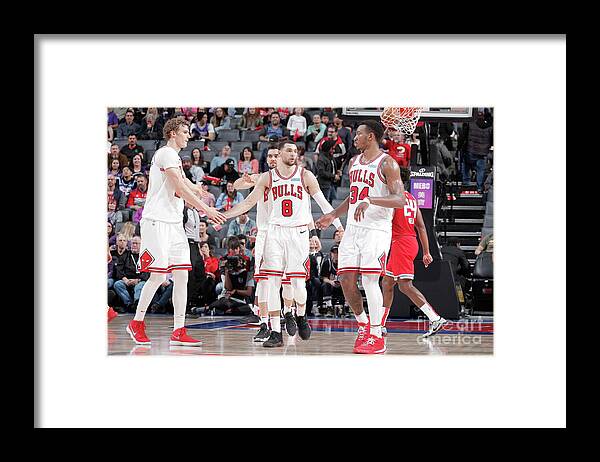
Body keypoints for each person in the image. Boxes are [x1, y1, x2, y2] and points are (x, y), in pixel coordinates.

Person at [224, 141, 344, 347]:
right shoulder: (267, 177)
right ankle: (275, 331)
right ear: (278, 155)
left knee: (297, 284)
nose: (293, 154)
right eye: (288, 150)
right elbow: (247, 202)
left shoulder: (305, 175)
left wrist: (339, 226)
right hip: (275, 232)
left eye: (295, 151)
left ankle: (301, 314)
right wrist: (222, 215)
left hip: (297, 234)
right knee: (272, 283)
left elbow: (323, 202)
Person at [125, 116, 227, 348]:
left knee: (182, 275)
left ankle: (179, 330)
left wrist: (198, 189)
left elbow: (183, 183)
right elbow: (179, 187)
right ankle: (137, 322)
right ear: (172, 133)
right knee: (159, 275)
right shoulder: (166, 153)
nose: (188, 136)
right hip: (157, 221)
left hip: (173, 223)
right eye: (184, 131)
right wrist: (206, 210)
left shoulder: (175, 158)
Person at [315, 120, 407, 354]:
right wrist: (333, 214)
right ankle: (364, 325)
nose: (354, 138)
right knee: (345, 280)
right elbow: (354, 197)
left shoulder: (388, 163)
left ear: (371, 137)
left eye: (359, 134)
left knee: (369, 281)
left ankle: (377, 335)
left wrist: (371, 201)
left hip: (376, 229)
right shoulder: (354, 162)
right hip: (353, 228)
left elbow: (400, 199)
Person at [381, 166, 448, 339]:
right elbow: (421, 226)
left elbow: (384, 223)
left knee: (405, 285)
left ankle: (435, 318)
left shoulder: (393, 199)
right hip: (409, 242)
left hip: (401, 243)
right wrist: (426, 251)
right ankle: (380, 324)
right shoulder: (411, 198)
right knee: (387, 283)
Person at [457, 109, 493, 193]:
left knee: (466, 165)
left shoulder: (471, 123)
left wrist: (459, 147)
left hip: (471, 150)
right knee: (481, 169)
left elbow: (463, 136)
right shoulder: (489, 126)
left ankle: (466, 183)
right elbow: (492, 139)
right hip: (483, 152)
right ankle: (479, 187)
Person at [112, 235, 150, 312]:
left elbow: (147, 272)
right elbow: (119, 269)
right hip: (127, 280)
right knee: (118, 284)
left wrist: (138, 280)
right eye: (133, 243)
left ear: (141, 244)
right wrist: (125, 279)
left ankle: (137, 304)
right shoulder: (125, 255)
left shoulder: (145, 256)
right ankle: (129, 304)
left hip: (140, 280)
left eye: (137, 243)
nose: (134, 245)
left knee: (139, 287)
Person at [183, 202, 208, 312]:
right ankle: (186, 303)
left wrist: (198, 248)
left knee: (201, 273)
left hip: (195, 245)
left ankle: (194, 300)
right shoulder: (183, 211)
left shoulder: (195, 212)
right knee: (190, 275)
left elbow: (196, 231)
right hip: (186, 243)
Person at [320, 245, 347, 317]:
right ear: (331, 253)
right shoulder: (327, 263)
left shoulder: (345, 263)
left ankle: (346, 307)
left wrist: (341, 282)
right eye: (334, 253)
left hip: (342, 284)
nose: (336, 254)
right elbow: (324, 278)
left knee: (348, 286)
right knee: (325, 285)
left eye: (337, 253)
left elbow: (348, 278)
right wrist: (331, 282)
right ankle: (329, 307)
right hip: (331, 284)